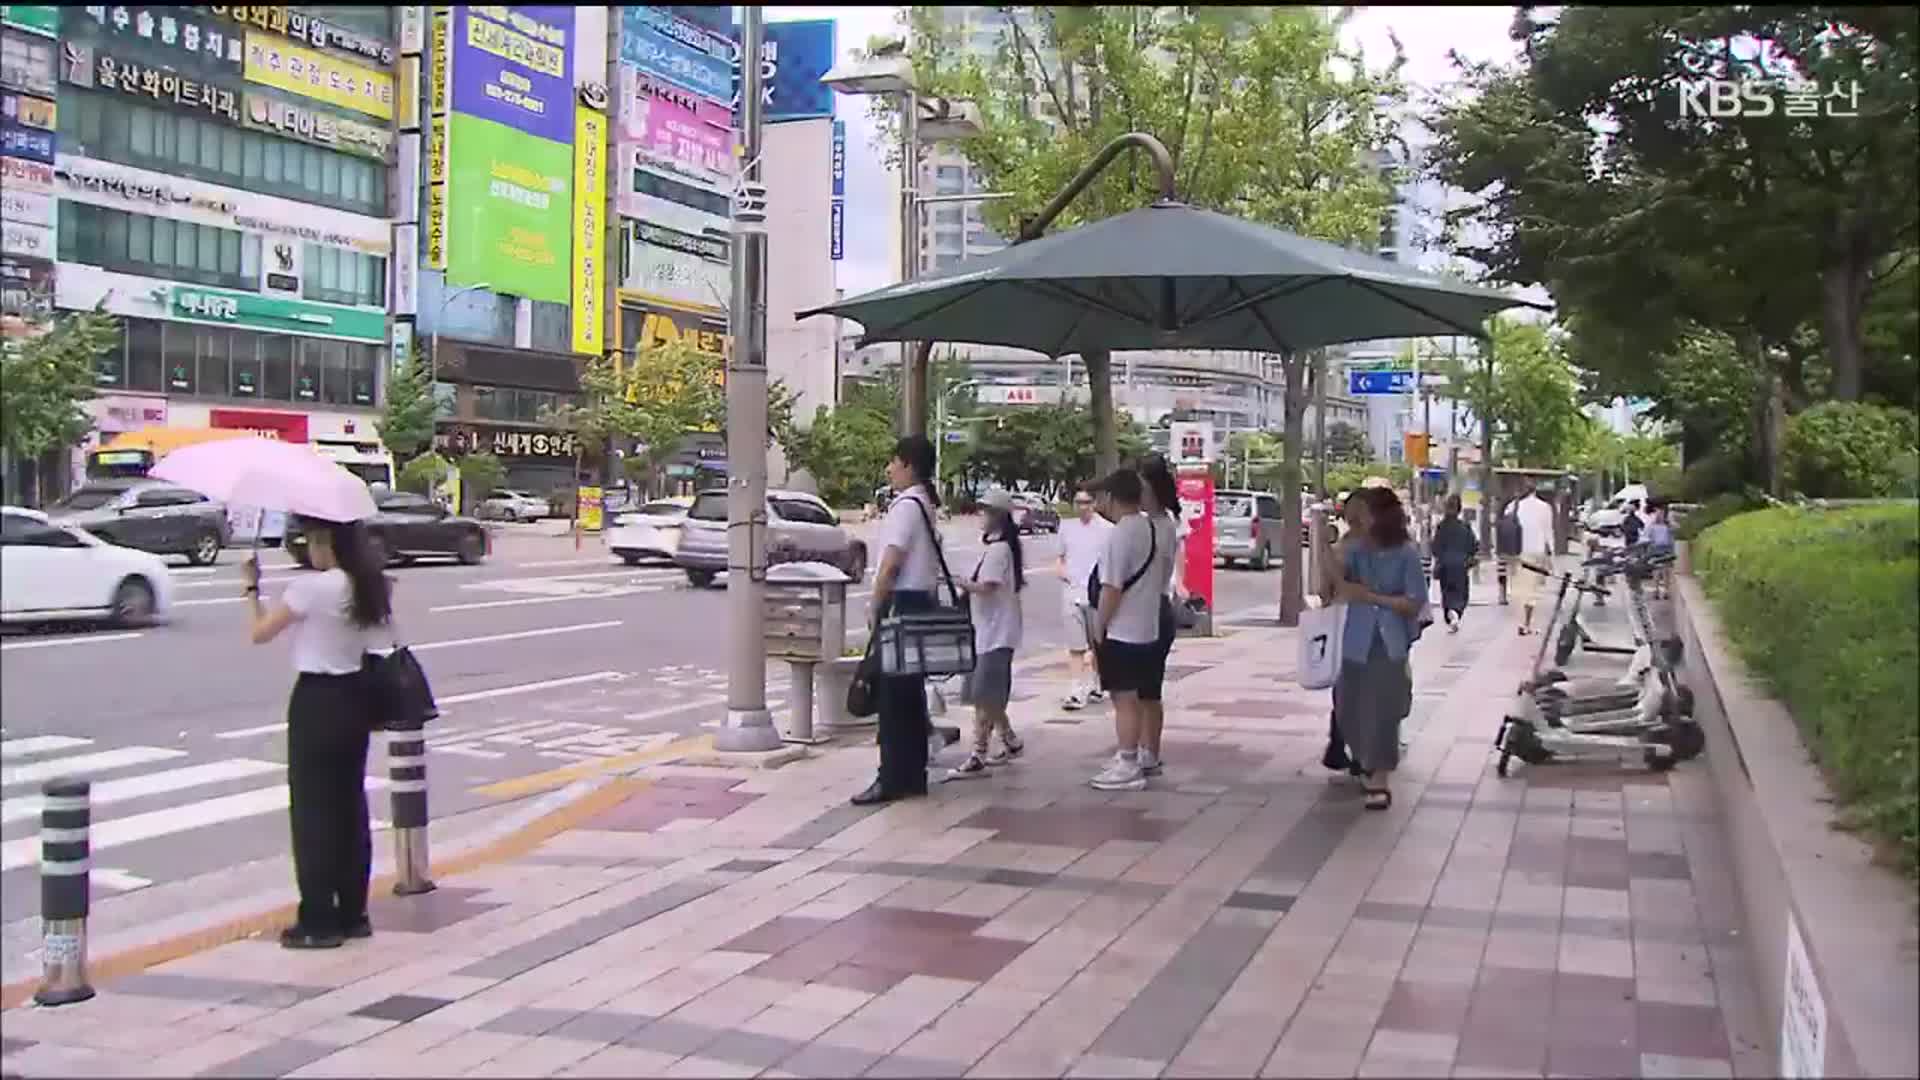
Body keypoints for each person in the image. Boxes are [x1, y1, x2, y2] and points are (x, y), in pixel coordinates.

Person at [242, 515, 390, 949]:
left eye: (312, 540)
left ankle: (318, 920)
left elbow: (259, 634)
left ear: (326, 541)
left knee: (313, 812)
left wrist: (252, 589)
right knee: (349, 807)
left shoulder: (314, 587)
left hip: (317, 700)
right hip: (355, 698)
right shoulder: (367, 585)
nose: (308, 548)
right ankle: (353, 912)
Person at [855, 435, 947, 806]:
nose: (889, 469)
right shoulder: (925, 503)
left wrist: (876, 605)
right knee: (910, 697)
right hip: (921, 603)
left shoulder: (906, 506)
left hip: (902, 606)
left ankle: (891, 777)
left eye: (893, 462)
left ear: (909, 465)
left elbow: (892, 563)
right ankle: (913, 775)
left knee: (893, 699)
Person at [1328, 487, 1427, 810]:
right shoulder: (1356, 551)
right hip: (1354, 639)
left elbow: (1414, 602)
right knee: (1347, 707)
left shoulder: (1405, 554)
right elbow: (1332, 586)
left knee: (1384, 713)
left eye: (1366, 513)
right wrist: (1332, 544)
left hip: (1389, 640)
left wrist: (1371, 597)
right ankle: (1364, 761)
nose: (1360, 519)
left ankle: (1380, 777)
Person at [1087, 469, 1176, 791]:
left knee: (1123, 698)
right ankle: (1136, 755)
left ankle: (1127, 763)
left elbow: (1111, 587)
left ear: (1111, 498)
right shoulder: (1149, 527)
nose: (1097, 503)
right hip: (1146, 626)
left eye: (1099, 497)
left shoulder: (1122, 533)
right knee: (1139, 696)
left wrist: (1099, 627)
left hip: (1123, 630)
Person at [948, 489, 1026, 778]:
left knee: (984, 695)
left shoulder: (998, 551)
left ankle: (978, 753)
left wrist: (961, 583)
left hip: (996, 633)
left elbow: (987, 587)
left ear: (999, 517)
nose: (981, 516)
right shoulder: (999, 548)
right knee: (988, 694)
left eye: (987, 511)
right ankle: (1009, 739)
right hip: (991, 632)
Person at [1138, 456, 1185, 778]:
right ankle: (1143, 748)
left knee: (1148, 689)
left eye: (1141, 487)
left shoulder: (1161, 526)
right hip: (1151, 608)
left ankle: (1148, 751)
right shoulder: (1156, 523)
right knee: (1143, 689)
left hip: (1153, 609)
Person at [1319, 492, 1368, 780]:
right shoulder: (1379, 552)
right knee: (1365, 691)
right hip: (1366, 624)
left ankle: (1338, 744)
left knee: (1345, 689)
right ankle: (1358, 751)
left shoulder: (1338, 550)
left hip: (1340, 621)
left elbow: (1324, 592)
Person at [1056, 482, 1112, 710]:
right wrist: (1063, 573)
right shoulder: (1067, 528)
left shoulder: (1108, 530)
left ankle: (1097, 683)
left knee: (1097, 644)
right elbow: (1059, 557)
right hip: (1072, 593)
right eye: (1078, 503)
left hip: (1096, 595)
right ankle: (1076, 690)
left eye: (1087, 503)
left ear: (1095, 504)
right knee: (1076, 646)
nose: (1082, 507)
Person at [1428, 494, 1479, 633]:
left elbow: (1435, 547)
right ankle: (1456, 612)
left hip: (1445, 566)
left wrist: (1440, 558)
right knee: (1461, 593)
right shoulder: (1465, 527)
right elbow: (1474, 546)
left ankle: (1450, 613)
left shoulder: (1441, 527)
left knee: (1447, 593)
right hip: (1461, 566)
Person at [1513, 484, 1558, 635]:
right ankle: (1526, 622)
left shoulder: (1513, 506)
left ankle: (1522, 621)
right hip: (1537, 551)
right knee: (1533, 588)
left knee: (1521, 586)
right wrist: (1551, 552)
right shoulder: (1545, 507)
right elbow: (1548, 531)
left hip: (1518, 551)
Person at [1495, 497, 1522, 605]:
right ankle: (1514, 595)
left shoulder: (1500, 522)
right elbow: (1519, 538)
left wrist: (1498, 551)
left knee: (1502, 574)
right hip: (1513, 552)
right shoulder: (1517, 523)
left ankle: (1502, 595)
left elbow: (1497, 538)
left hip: (1502, 551)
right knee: (1516, 574)